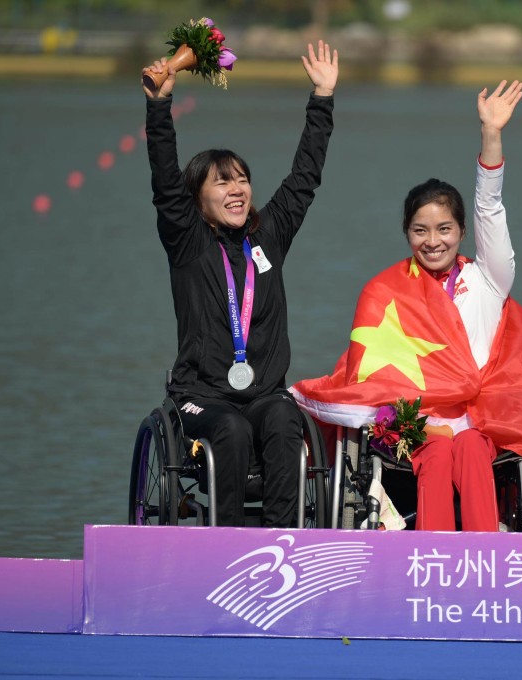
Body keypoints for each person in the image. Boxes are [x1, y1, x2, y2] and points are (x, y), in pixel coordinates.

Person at [291, 80, 522, 532]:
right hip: (414, 423)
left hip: (481, 419)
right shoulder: (383, 290)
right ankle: (434, 557)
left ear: (463, 233)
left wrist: (492, 135)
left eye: (445, 229)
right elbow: (372, 374)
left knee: (468, 448)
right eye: (420, 231)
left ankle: (484, 557)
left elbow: (490, 206)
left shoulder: (489, 278)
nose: (433, 242)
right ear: (406, 233)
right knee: (436, 450)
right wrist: (411, 421)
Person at [143, 41, 339, 527]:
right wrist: (159, 106)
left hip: (263, 394)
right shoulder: (187, 241)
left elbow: (304, 179)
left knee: (283, 416)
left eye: (242, 180)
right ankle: (226, 543)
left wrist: (323, 97)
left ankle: (281, 539)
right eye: (222, 183)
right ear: (198, 199)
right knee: (228, 427)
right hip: (201, 397)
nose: (237, 190)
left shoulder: (268, 236)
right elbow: (166, 180)